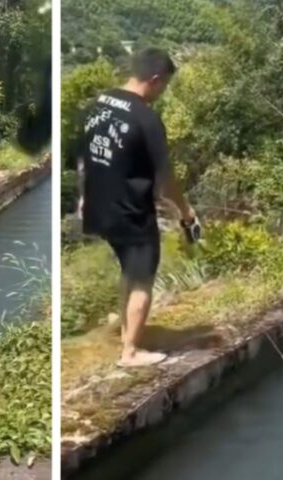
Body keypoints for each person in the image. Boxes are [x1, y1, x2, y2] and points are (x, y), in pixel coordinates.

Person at [76, 48, 198, 368]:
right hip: (130, 210)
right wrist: (185, 212)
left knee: (128, 268)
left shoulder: (98, 104)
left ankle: (126, 332)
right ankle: (130, 352)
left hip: (99, 205)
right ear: (155, 79)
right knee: (143, 277)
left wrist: (83, 195)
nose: (163, 93)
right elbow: (166, 178)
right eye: (164, 86)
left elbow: (85, 156)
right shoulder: (147, 118)